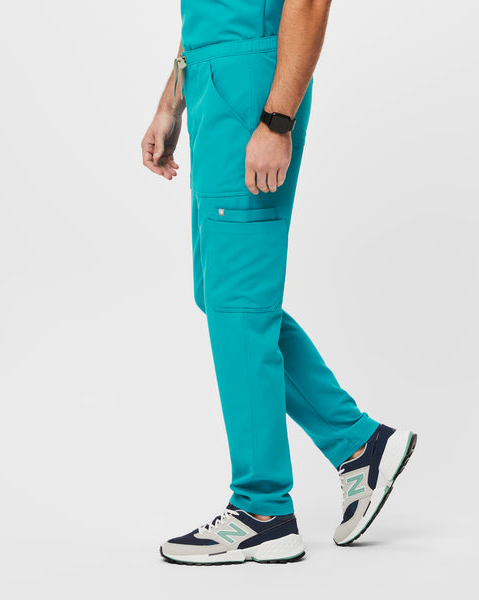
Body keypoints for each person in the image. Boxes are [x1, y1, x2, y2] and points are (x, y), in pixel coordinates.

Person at [141, 0, 417, 565]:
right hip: (214, 82)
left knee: (239, 302)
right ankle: (358, 444)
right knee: (223, 297)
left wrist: (277, 121)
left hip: (250, 91)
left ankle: (263, 511)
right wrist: (172, 99)